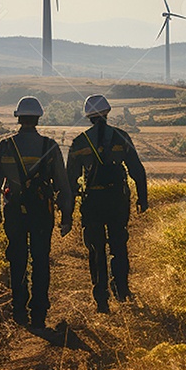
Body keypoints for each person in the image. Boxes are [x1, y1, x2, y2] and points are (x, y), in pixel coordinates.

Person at [0, 97, 73, 329]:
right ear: (38, 118)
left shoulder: (5, 146)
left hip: (14, 211)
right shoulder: (50, 147)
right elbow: (63, 185)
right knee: (41, 259)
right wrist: (67, 215)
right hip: (42, 212)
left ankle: (19, 310)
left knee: (17, 259)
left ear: (18, 118)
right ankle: (39, 312)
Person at [66, 94, 147, 314]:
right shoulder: (121, 137)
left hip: (92, 202)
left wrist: (67, 212)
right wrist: (143, 197)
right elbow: (137, 170)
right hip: (117, 200)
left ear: (88, 116)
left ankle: (101, 298)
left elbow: (69, 181)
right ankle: (122, 290)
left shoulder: (80, 142)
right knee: (119, 245)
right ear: (108, 112)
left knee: (96, 249)